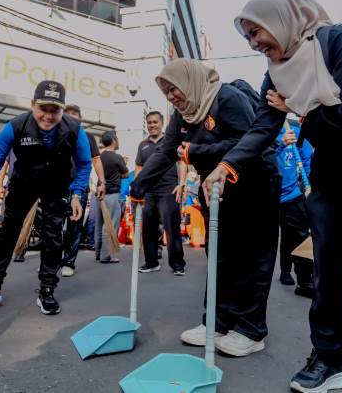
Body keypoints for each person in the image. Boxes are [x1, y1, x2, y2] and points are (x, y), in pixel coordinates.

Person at [203, 0, 342, 392]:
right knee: (326, 267)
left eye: (258, 32)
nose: (254, 43)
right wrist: (226, 165)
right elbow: (263, 127)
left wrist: (298, 110)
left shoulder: (340, 41)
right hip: (334, 161)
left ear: (282, 20)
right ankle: (327, 360)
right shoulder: (276, 70)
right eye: (247, 36)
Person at [132, 59, 280, 357]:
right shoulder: (183, 113)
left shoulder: (227, 98)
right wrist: (140, 185)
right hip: (216, 190)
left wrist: (195, 151)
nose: (171, 95)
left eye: (174, 88)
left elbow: (250, 142)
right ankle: (216, 322)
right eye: (166, 91)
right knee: (221, 257)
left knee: (252, 259)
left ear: (190, 81)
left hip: (255, 184)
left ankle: (251, 330)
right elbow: (166, 151)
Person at [0, 80, 91, 315]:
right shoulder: (15, 126)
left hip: (56, 186)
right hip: (23, 184)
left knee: (53, 236)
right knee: (6, 233)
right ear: (33, 105)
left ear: (62, 110)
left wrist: (77, 193)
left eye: (54, 110)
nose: (48, 116)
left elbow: (85, 164)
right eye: (43, 108)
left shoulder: (75, 129)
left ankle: (47, 290)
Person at [135, 111, 187, 274]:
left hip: (168, 190)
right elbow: (139, 168)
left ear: (162, 123)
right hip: (149, 192)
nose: (152, 125)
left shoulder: (170, 141)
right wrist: (139, 190)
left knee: (172, 229)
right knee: (148, 229)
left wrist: (182, 184)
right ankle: (151, 263)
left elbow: (183, 160)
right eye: (149, 122)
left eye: (155, 122)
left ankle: (178, 265)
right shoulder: (143, 145)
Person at [61, 104, 105, 276]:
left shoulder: (88, 137)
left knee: (74, 225)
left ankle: (69, 263)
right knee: (53, 225)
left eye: (75, 116)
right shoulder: (56, 134)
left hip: (78, 188)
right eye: (68, 115)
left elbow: (96, 160)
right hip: (57, 187)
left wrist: (102, 182)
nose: (71, 118)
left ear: (80, 119)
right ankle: (52, 260)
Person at [275, 125, 315, 297]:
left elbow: (306, 160)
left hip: (293, 195)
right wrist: (280, 144)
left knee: (298, 236)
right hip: (268, 196)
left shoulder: (296, 132)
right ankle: (284, 270)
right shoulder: (263, 130)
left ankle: (305, 282)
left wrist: (309, 186)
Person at [95, 131, 128, 263]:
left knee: (99, 225)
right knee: (110, 225)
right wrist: (118, 175)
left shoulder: (99, 157)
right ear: (114, 140)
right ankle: (106, 255)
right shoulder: (117, 157)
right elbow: (125, 174)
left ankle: (98, 253)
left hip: (99, 193)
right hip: (112, 194)